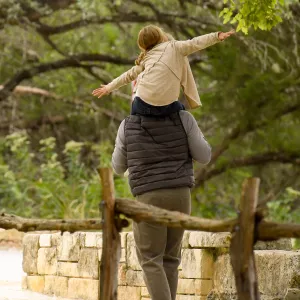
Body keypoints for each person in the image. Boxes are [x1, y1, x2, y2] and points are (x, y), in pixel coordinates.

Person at [112, 108, 212, 300]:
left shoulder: (128, 124)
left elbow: (117, 166)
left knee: (151, 259)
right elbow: (204, 156)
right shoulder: (184, 118)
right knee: (170, 259)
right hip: (181, 196)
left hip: (148, 197)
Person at [92, 25, 234, 115]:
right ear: (161, 36)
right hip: (167, 106)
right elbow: (196, 42)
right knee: (183, 115)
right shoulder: (175, 47)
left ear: (143, 46)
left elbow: (128, 75)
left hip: (142, 104)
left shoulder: (147, 57)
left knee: (132, 120)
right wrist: (217, 36)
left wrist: (109, 87)